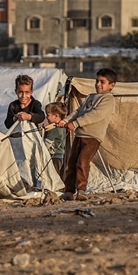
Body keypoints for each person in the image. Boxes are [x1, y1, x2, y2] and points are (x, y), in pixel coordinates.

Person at [56, 68, 117, 201]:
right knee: (71, 163)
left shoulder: (108, 100)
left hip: (92, 137)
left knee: (82, 162)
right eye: (97, 81)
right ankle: (69, 191)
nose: (98, 84)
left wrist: (76, 123)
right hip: (79, 136)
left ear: (111, 85)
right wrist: (65, 120)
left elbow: (94, 115)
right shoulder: (91, 97)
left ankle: (81, 190)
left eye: (102, 82)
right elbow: (78, 111)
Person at [5, 74, 47, 189]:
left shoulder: (35, 104)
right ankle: (23, 185)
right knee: (20, 163)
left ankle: (36, 184)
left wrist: (28, 116)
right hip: (17, 143)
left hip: (32, 141)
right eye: (20, 92)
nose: (23, 96)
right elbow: (7, 123)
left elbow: (41, 117)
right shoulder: (13, 106)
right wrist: (14, 118)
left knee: (34, 162)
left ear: (32, 91)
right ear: (16, 91)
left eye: (27, 92)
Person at [43, 101, 68, 178]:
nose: (47, 117)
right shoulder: (62, 127)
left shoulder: (54, 130)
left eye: (48, 115)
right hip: (60, 155)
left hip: (54, 156)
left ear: (56, 116)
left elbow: (47, 143)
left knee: (54, 174)